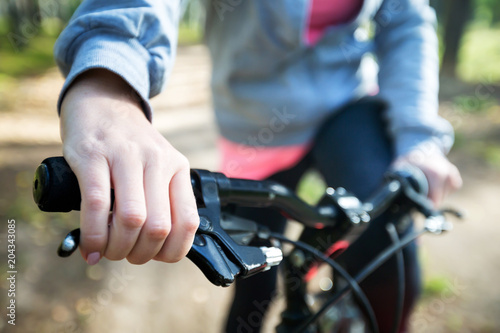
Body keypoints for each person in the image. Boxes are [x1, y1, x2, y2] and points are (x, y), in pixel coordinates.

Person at [54, 0, 462, 331]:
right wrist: (109, 82)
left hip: (346, 103)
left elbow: (405, 18)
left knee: (388, 237)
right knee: (252, 281)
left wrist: (418, 140)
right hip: (256, 124)